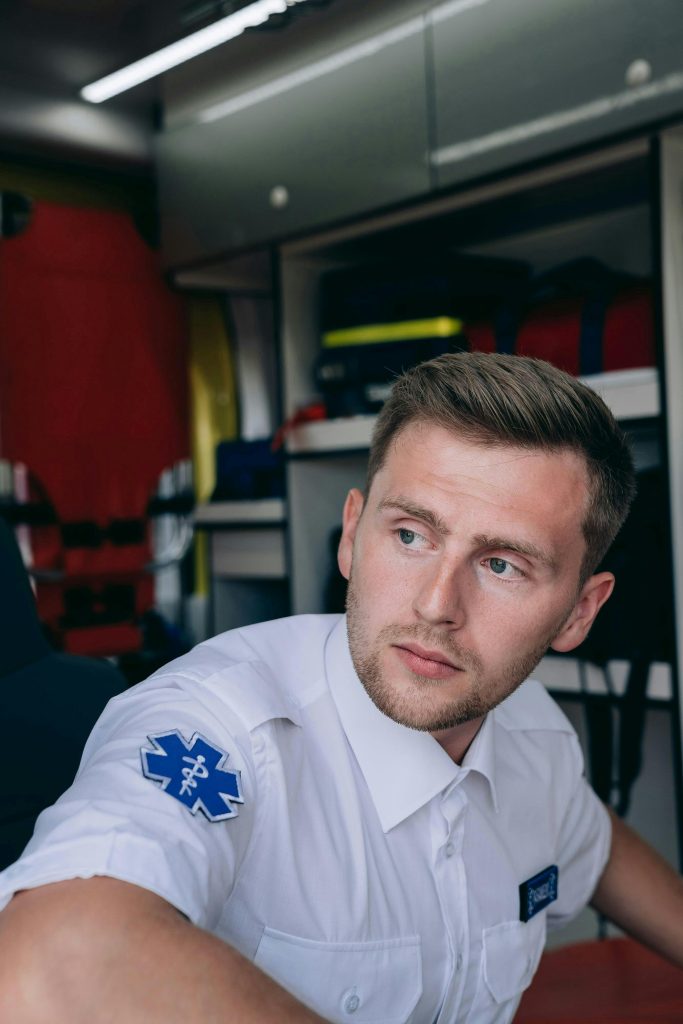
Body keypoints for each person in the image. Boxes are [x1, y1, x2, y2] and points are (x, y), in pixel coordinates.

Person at [0, 351, 682, 1024]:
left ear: (578, 613)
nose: (435, 604)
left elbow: (590, 840)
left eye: (501, 565)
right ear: (352, 534)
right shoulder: (218, 726)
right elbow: (55, 956)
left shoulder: (534, 737)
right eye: (410, 535)